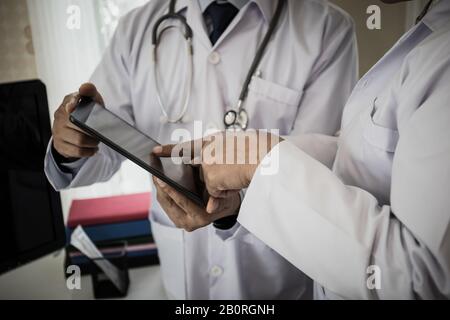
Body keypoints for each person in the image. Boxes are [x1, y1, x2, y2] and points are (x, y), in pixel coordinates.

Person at [44, 0, 358, 299]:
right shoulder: (134, 30)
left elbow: (318, 173)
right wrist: (69, 148)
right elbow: (105, 151)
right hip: (181, 283)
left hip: (273, 281)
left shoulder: (328, 29)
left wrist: (237, 201)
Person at [152, 0, 450, 299]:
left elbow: (425, 283)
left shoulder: (332, 27)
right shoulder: (431, 34)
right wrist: (248, 181)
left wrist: (259, 163)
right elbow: (352, 158)